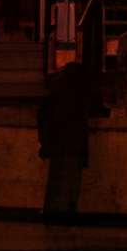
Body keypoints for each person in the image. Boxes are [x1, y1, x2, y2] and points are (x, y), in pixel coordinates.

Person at [38, 57, 98, 225]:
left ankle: (55, 213)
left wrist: (44, 142)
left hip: (59, 145)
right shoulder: (79, 97)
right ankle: (66, 213)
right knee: (70, 182)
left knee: (57, 182)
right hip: (74, 145)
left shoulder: (57, 95)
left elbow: (44, 116)